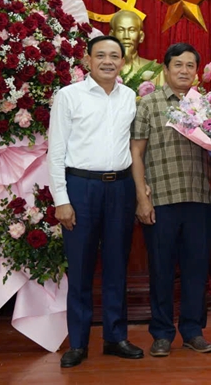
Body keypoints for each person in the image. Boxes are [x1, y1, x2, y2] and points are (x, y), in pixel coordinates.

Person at [48, 35, 142, 368]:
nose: (107, 61)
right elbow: (56, 151)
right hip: (81, 188)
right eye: (100, 55)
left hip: (120, 188)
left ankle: (116, 337)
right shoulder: (68, 96)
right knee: (81, 268)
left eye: (114, 56)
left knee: (117, 265)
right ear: (87, 60)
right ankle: (78, 343)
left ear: (122, 62)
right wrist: (62, 199)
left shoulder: (129, 97)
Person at [130, 43, 211, 357]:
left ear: (196, 71)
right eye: (177, 64)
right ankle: (162, 333)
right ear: (165, 69)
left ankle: (193, 331)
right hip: (161, 201)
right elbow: (136, 153)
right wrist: (142, 198)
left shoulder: (206, 106)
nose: (184, 70)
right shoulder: (149, 104)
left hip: (199, 199)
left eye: (190, 65)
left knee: (196, 271)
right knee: (161, 271)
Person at [109, 10, 164, 85]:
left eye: (132, 30)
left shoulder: (157, 71)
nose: (126, 36)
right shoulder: (102, 69)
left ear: (141, 36)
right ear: (112, 36)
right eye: (120, 30)